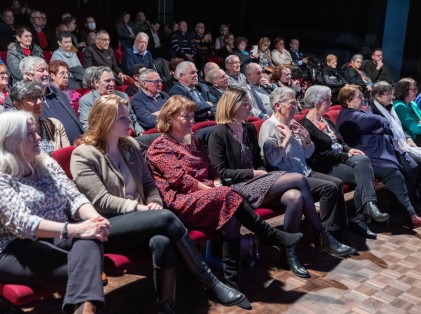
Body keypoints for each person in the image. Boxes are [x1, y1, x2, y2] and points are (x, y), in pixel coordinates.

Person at [70, 94, 247, 312]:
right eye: (123, 119)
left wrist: (153, 202)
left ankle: (166, 307)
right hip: (108, 225)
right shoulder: (83, 154)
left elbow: (148, 183)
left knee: (162, 241)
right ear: (105, 120)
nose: (130, 122)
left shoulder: (130, 146)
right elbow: (101, 200)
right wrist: (141, 208)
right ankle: (210, 282)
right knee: (165, 217)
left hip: (143, 218)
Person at [146, 95, 304, 291]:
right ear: (169, 118)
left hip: (208, 195)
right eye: (185, 117)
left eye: (192, 116)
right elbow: (182, 181)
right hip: (182, 202)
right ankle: (271, 235)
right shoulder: (159, 147)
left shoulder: (193, 140)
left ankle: (232, 281)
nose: (191, 121)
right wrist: (215, 190)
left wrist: (216, 183)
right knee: (227, 196)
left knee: (230, 215)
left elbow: (212, 169)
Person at [208, 86, 354, 278]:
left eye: (248, 102)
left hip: (260, 180)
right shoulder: (218, 132)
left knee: (295, 197)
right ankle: (322, 233)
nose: (249, 106)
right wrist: (253, 172)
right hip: (238, 187)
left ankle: (289, 256)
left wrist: (304, 139)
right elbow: (221, 171)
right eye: (245, 103)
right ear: (231, 105)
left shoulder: (248, 128)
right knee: (299, 179)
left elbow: (259, 161)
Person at [0, 111, 110, 313]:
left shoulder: (45, 162)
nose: (39, 137)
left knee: (91, 239)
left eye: (37, 132)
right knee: (87, 272)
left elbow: (74, 197)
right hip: (14, 247)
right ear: (11, 140)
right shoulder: (2, 175)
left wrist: (94, 220)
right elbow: (24, 223)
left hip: (56, 237)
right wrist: (76, 229)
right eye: (31, 134)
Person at [259, 87, 354, 246]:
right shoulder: (269, 126)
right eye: (292, 103)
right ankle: (327, 237)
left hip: (304, 171)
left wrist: (306, 138)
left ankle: (338, 233)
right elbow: (272, 161)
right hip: (287, 177)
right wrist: (287, 139)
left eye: (296, 103)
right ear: (277, 106)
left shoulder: (293, 123)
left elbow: (308, 154)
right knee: (329, 187)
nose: (296, 106)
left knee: (336, 183)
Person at [301, 85, 389, 239]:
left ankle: (363, 212)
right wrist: (345, 154)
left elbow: (340, 141)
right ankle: (361, 214)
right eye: (327, 100)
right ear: (315, 102)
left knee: (363, 163)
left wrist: (349, 149)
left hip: (339, 159)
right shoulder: (306, 125)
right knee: (364, 174)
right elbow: (318, 155)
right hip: (325, 166)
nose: (330, 102)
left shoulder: (326, 120)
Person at [336, 84, 421, 227]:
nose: (363, 99)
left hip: (375, 151)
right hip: (363, 154)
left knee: (408, 166)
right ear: (348, 101)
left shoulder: (360, 112)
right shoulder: (348, 115)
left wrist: (377, 128)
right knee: (393, 171)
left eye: (363, 96)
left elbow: (377, 122)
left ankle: (407, 208)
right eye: (359, 97)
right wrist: (378, 127)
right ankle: (409, 212)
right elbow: (379, 121)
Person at [4, 56, 84, 144]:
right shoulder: (15, 98)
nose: (46, 73)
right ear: (28, 75)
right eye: (41, 70)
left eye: (46, 70)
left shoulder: (57, 92)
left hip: (78, 144)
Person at [78, 66, 144, 135]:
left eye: (113, 80)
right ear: (96, 82)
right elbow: (88, 127)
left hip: (130, 135)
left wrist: (140, 132)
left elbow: (132, 118)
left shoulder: (123, 96)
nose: (112, 84)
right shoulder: (87, 100)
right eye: (107, 81)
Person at [10, 80, 70, 154]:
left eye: (40, 97)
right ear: (18, 105)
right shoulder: (12, 133)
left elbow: (67, 155)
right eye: (31, 98)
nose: (39, 102)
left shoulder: (55, 124)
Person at [370, 81, 421, 162]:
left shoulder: (390, 106)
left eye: (391, 93)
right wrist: (396, 144)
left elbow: (398, 127)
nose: (391, 97)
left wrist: (407, 137)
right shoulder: (373, 112)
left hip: (404, 142)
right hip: (392, 147)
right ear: (377, 96)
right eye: (387, 94)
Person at [392, 78, 421, 145]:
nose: (416, 92)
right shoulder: (399, 106)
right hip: (412, 139)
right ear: (404, 90)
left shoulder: (412, 103)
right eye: (414, 89)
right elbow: (415, 128)